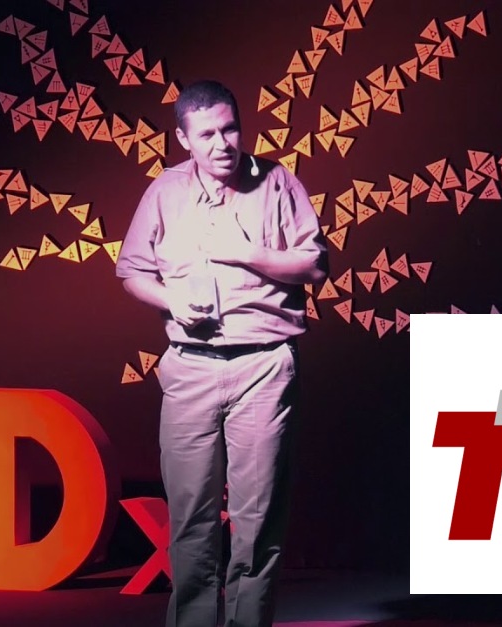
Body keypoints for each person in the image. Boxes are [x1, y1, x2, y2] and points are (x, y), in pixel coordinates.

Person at [115, 80, 328, 627]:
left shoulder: (278, 183)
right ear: (184, 138)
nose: (222, 144)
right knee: (191, 521)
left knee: (258, 522)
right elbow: (132, 271)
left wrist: (249, 253)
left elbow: (314, 265)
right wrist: (171, 300)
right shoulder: (165, 191)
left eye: (230, 129)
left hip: (264, 366)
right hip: (190, 368)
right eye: (207, 134)